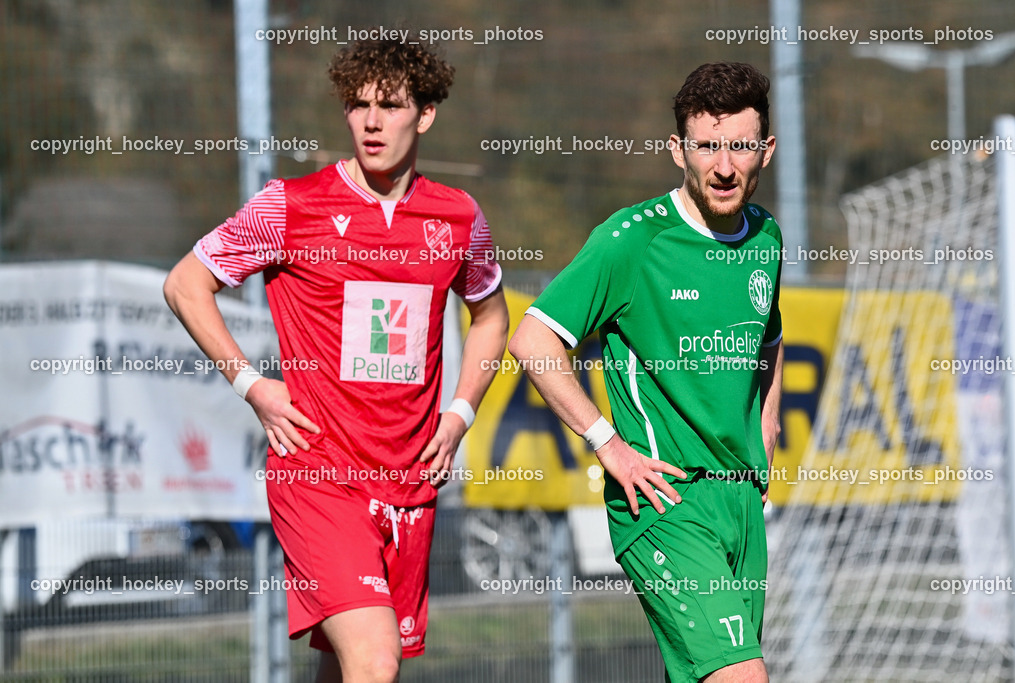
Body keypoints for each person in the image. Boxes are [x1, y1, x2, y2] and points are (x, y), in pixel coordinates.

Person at [164, 38, 509, 683]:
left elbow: (490, 316)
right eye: (357, 105)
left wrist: (459, 414)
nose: (371, 121)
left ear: (425, 114)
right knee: (375, 659)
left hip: (409, 479)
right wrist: (253, 385)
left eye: (390, 105)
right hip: (318, 474)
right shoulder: (289, 206)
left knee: (351, 664)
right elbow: (186, 284)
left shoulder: (459, 217)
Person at [508, 61, 783, 682]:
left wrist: (767, 424)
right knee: (742, 677)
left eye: (739, 147)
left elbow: (771, 333)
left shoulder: (767, 237)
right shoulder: (631, 241)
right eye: (707, 147)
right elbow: (532, 341)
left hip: (739, 502)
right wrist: (608, 445)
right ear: (677, 150)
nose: (723, 165)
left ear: (764, 150)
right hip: (664, 501)